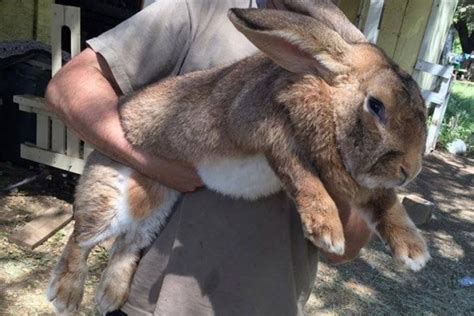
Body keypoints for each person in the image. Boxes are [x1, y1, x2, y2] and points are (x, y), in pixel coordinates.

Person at [46, 0, 372, 314]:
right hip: (152, 305)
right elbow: (70, 86)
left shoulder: (362, 66)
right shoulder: (199, 9)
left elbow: (351, 244)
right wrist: (155, 165)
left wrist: (330, 174)